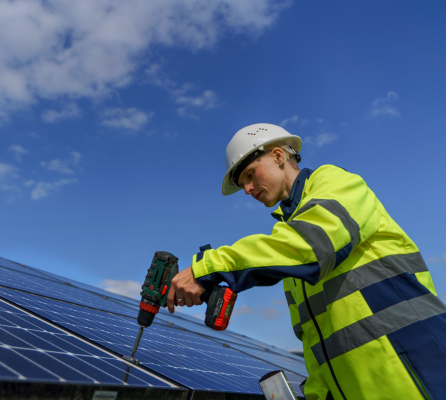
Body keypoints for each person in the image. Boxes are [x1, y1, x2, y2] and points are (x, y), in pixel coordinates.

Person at [166, 123, 446, 400]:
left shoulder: (335, 183)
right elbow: (316, 340)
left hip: (413, 375)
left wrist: (208, 268)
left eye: (250, 175)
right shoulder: (291, 247)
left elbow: (310, 246)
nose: (248, 189)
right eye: (243, 186)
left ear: (278, 156)